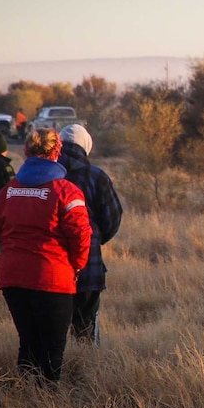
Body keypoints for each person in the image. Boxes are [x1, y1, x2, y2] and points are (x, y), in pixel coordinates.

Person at [0, 128, 92, 385]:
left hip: (12, 279)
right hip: (53, 280)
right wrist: (77, 267)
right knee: (51, 351)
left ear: (26, 151)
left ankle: (25, 400)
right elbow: (82, 235)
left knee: (28, 342)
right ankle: (43, 407)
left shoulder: (7, 191)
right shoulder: (67, 191)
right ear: (57, 152)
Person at [58, 124, 123, 346]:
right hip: (89, 265)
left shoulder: (49, 176)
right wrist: (94, 239)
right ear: (86, 145)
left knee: (53, 329)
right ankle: (84, 370)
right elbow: (113, 218)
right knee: (85, 326)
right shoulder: (97, 176)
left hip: (51, 264)